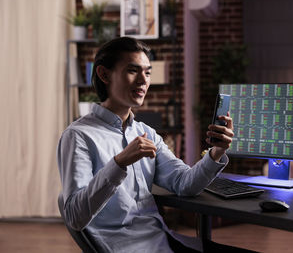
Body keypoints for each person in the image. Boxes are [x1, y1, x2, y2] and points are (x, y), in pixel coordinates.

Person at [57, 37, 254, 252]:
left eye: (148, 72)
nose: (143, 80)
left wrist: (217, 152)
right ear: (104, 75)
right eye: (133, 70)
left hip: (163, 240)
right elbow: (75, 217)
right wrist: (119, 163)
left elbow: (185, 184)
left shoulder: (146, 133)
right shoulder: (78, 136)